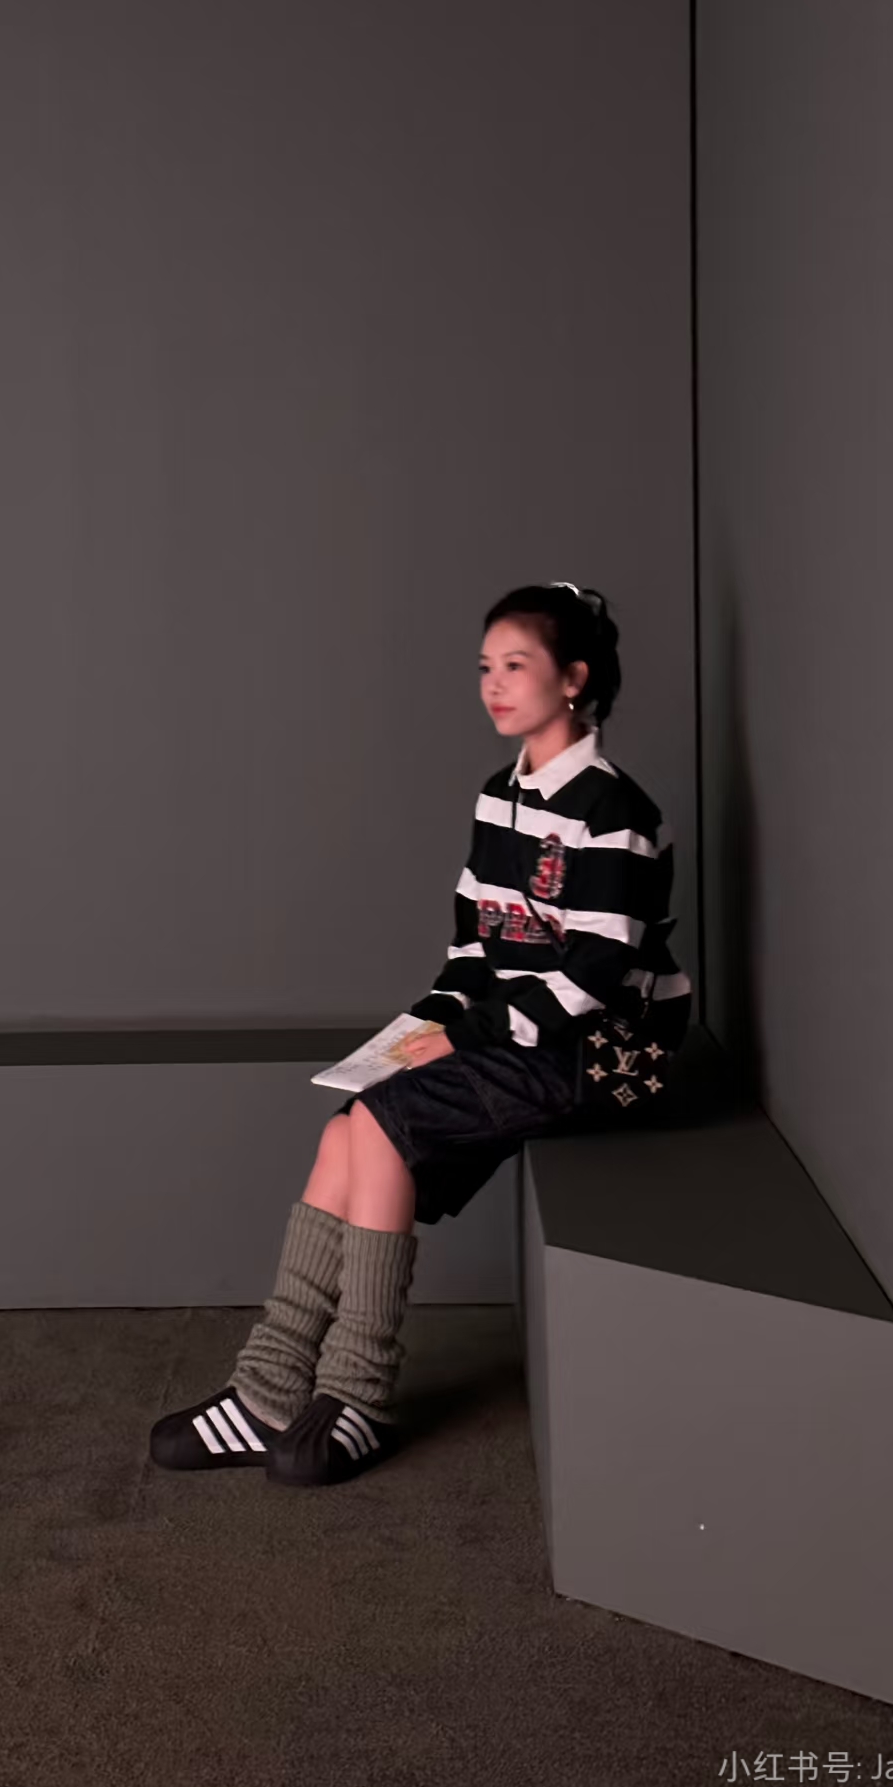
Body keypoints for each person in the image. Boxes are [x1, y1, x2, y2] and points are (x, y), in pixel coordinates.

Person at [149, 582, 693, 1487]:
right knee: (345, 1128)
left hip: (610, 1053)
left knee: (383, 1126)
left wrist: (468, 1033)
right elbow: (473, 951)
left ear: (573, 680)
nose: (494, 684)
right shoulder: (496, 797)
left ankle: (359, 1393)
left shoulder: (614, 812)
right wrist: (427, 1025)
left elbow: (595, 976)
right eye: (485, 667)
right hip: (520, 1036)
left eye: (515, 665)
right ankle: (269, 1389)